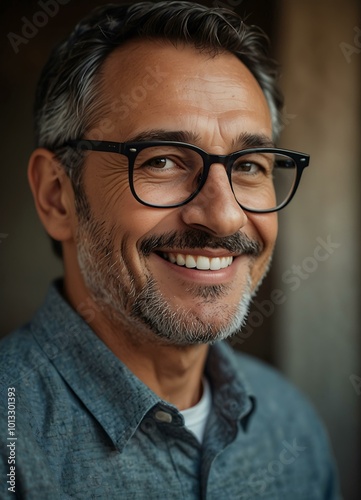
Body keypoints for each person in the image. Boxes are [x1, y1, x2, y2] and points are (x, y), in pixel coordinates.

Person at [0, 1, 342, 498]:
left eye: (249, 165)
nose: (224, 215)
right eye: (161, 160)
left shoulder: (291, 424)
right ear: (57, 195)